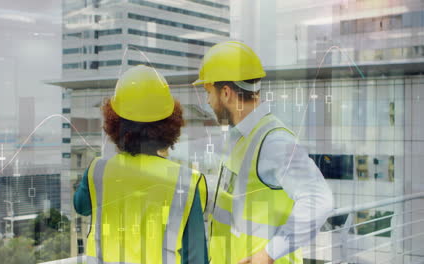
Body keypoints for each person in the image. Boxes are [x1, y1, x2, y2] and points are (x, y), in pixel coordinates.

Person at [193, 41, 333, 264]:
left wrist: (268, 254)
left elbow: (319, 199)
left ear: (226, 93)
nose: (208, 101)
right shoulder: (240, 138)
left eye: (208, 92)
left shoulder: (273, 141)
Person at [74, 65, 209, 264]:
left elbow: (81, 206)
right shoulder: (186, 181)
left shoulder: (98, 172)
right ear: (170, 123)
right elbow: (197, 257)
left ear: (115, 122)